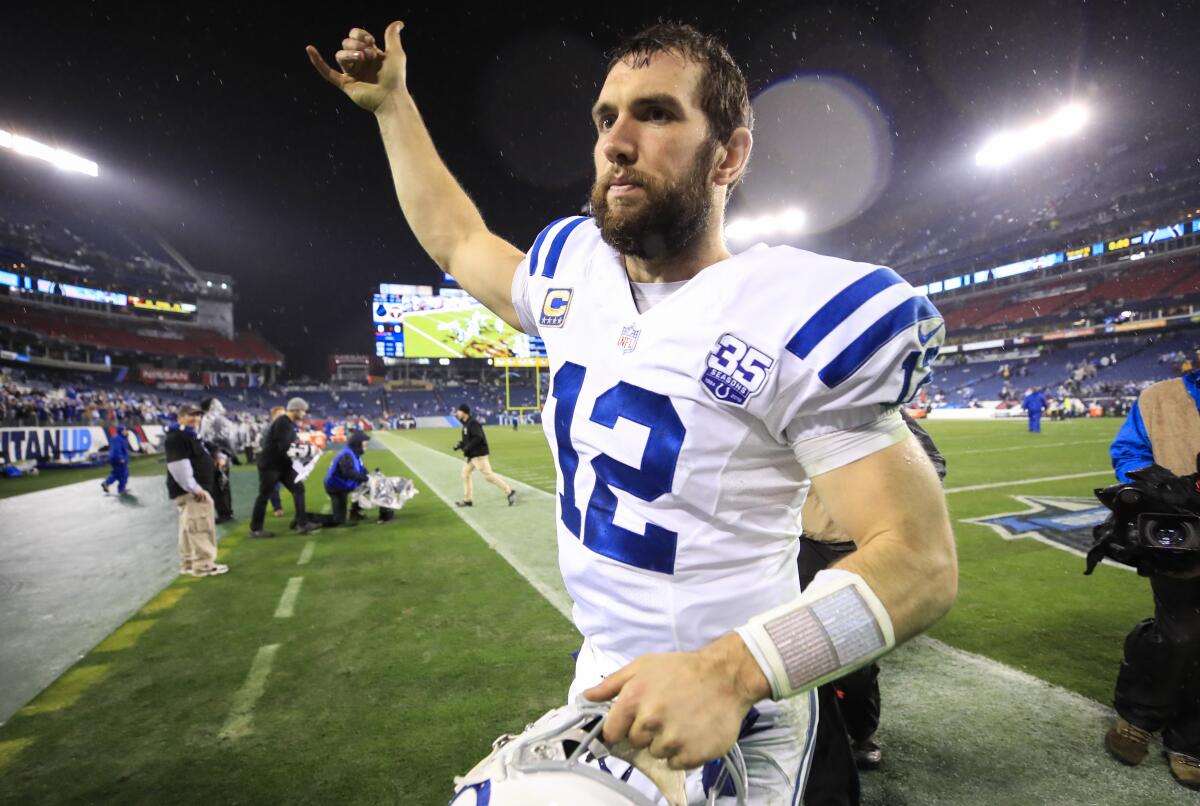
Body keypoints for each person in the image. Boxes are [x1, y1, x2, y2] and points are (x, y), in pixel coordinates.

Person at [309, 21, 956, 801]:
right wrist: (393, 108)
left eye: (655, 113)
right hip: (603, 684)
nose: (616, 140)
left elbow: (919, 563)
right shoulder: (571, 269)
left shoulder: (789, 309)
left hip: (733, 712)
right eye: (605, 117)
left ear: (730, 155)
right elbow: (456, 240)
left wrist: (733, 673)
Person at [797, 409, 948, 805]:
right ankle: (812, 734)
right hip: (800, 545)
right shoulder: (793, 410)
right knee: (799, 647)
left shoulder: (874, 411)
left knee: (854, 662)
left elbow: (932, 463)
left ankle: (861, 731)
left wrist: (887, 510)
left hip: (856, 547)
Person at [1104, 368, 1200, 791]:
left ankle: (1190, 740)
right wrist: (1162, 486)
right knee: (1176, 632)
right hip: (1180, 536)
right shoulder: (1159, 396)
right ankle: (1139, 716)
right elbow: (1128, 453)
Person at [165, 404, 227, 577]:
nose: (196, 418)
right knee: (200, 527)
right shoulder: (178, 437)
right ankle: (203, 565)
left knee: (188, 529)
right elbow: (178, 466)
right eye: (191, 415)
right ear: (180, 417)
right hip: (193, 492)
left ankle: (189, 563)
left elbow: (209, 448)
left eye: (198, 415)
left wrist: (218, 456)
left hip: (190, 491)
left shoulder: (188, 435)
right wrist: (195, 488)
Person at [249, 397, 320, 537]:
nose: (304, 414)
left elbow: (290, 444)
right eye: (303, 411)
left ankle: (302, 523)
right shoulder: (283, 422)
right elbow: (286, 447)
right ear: (296, 409)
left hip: (282, 465)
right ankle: (255, 529)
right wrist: (310, 451)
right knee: (264, 496)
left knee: (299, 488)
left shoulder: (287, 423)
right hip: (271, 465)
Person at [319, 430, 394, 526]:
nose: (366, 445)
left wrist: (370, 476)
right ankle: (307, 519)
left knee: (374, 485)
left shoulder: (354, 453)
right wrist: (367, 479)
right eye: (364, 443)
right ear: (358, 443)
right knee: (338, 520)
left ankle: (358, 513)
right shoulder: (347, 454)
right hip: (337, 488)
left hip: (343, 485)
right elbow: (348, 473)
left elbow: (361, 470)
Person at [452, 403, 515, 508]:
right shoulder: (466, 424)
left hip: (479, 455)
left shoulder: (473, 423)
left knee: (489, 476)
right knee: (465, 474)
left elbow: (478, 437)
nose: (457, 413)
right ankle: (467, 500)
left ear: (464, 412)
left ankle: (509, 491)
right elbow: (469, 440)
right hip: (472, 456)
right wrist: (461, 445)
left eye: (459, 411)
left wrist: (467, 447)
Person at [199, 397, 237, 522]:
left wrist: (218, 456)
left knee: (218, 486)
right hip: (224, 456)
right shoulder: (222, 420)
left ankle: (224, 513)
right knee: (223, 485)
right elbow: (228, 441)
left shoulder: (210, 420)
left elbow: (210, 440)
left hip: (216, 457)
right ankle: (226, 512)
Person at [101, 424, 130, 495]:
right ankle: (121, 489)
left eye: (126, 430)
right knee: (123, 474)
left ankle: (107, 483)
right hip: (118, 459)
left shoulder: (122, 438)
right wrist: (120, 458)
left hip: (119, 459)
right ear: (121, 431)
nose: (126, 431)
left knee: (118, 473)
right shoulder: (117, 438)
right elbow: (116, 450)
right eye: (124, 430)